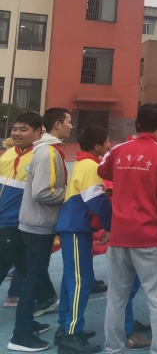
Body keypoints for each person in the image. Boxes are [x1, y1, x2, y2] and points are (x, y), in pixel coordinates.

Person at [97, 103, 157, 354]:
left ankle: (113, 348)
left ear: (137, 124)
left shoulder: (119, 150)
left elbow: (103, 169)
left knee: (116, 297)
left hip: (119, 237)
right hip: (150, 240)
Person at [10, 108, 72, 352]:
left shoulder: (47, 149)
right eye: (68, 121)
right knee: (33, 280)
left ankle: (26, 324)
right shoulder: (47, 152)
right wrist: (69, 193)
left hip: (36, 222)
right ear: (57, 124)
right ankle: (20, 335)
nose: (71, 126)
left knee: (31, 276)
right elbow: (42, 192)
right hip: (38, 225)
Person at [53, 126, 113, 354]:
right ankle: (72, 333)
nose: (109, 145)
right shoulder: (90, 166)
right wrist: (110, 224)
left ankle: (65, 326)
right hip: (76, 228)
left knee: (72, 280)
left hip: (75, 227)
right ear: (97, 146)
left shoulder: (83, 162)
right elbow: (96, 201)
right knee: (81, 281)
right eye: (107, 142)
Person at [0, 112, 54, 344]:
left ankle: (31, 317)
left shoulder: (39, 155)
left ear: (38, 132)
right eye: (15, 128)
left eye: (23, 129)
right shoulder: (9, 153)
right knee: (28, 272)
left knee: (28, 271)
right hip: (7, 226)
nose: (16, 133)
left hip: (20, 225)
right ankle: (25, 328)